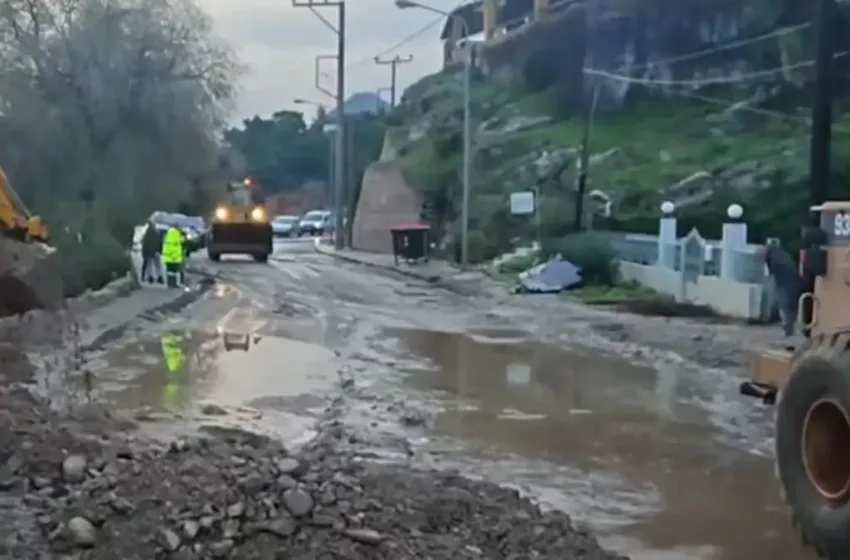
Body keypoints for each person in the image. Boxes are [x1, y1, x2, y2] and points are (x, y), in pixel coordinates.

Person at [758, 239, 802, 339]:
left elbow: (771, 272)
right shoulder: (777, 253)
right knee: (786, 306)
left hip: (785, 282)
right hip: (789, 281)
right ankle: (788, 329)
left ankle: (788, 330)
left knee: (784, 306)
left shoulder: (773, 257)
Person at [140, 220, 164, 284]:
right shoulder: (157, 233)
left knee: (149, 265)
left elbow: (145, 244)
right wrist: (160, 250)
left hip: (150, 252)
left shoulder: (147, 235)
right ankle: (159, 276)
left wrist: (144, 253)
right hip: (156, 251)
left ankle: (150, 277)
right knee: (158, 265)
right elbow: (160, 243)